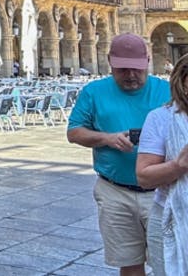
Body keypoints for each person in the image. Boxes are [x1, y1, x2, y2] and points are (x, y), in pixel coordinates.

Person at [69, 33, 170, 276]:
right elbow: (74, 132)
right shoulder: (93, 92)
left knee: (168, 263)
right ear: (110, 62)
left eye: (137, 69)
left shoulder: (167, 91)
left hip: (162, 193)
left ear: (147, 61)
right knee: (129, 261)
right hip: (115, 192)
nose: (131, 75)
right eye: (123, 70)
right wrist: (107, 138)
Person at [137, 55, 188, 276]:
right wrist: (178, 165)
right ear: (182, 83)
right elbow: (144, 177)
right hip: (172, 219)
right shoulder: (161, 118)